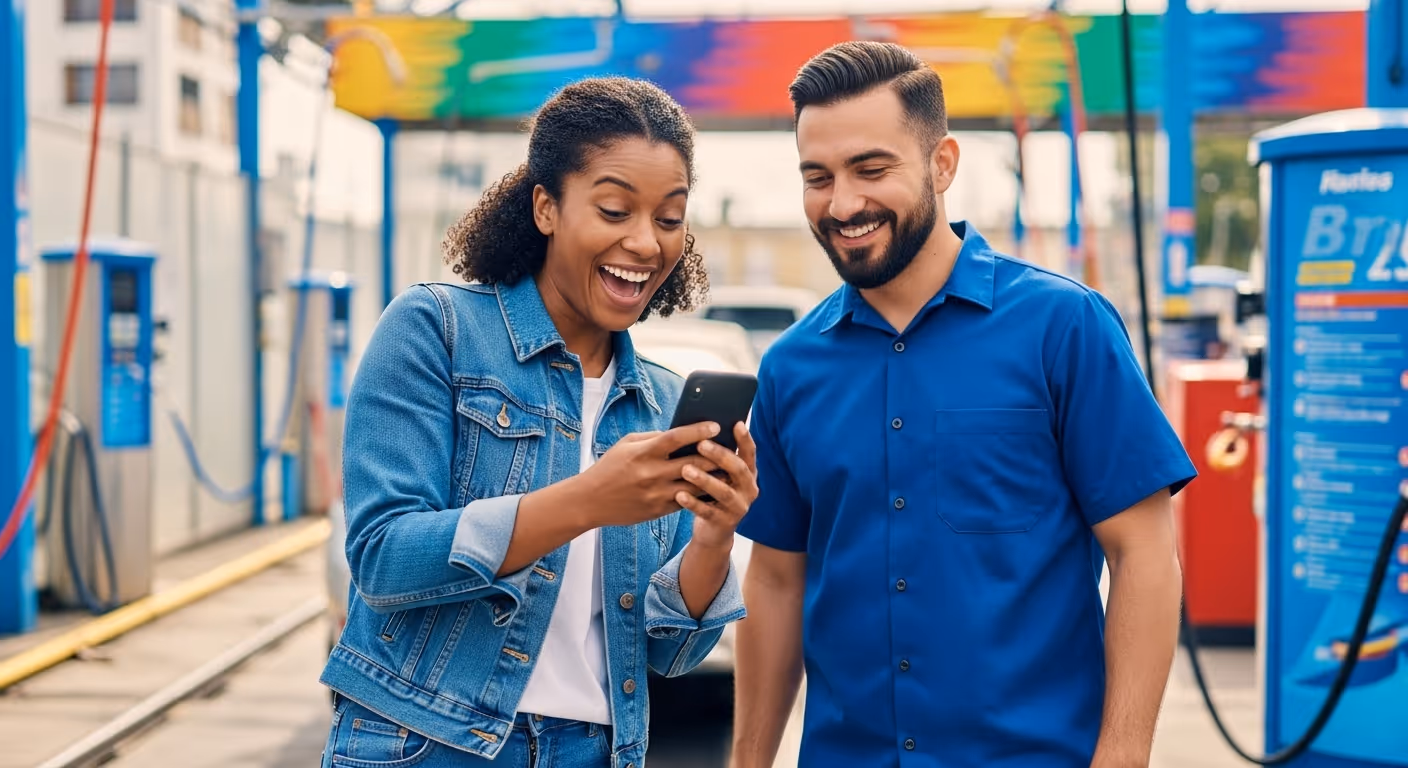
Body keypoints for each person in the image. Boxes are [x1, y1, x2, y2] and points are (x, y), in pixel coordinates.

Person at [730, 42, 1197, 768]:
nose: (843, 203)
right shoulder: (790, 367)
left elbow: (1144, 554)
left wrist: (1124, 754)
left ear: (942, 164)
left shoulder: (1063, 328)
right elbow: (777, 577)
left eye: (871, 169)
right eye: (817, 177)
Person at [319, 77, 755, 768]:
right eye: (614, 210)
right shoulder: (436, 330)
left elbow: (672, 652)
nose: (644, 242)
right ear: (547, 208)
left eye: (669, 219)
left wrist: (712, 537)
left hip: (595, 750)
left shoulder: (664, 404)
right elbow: (382, 558)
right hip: (428, 746)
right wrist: (586, 501)